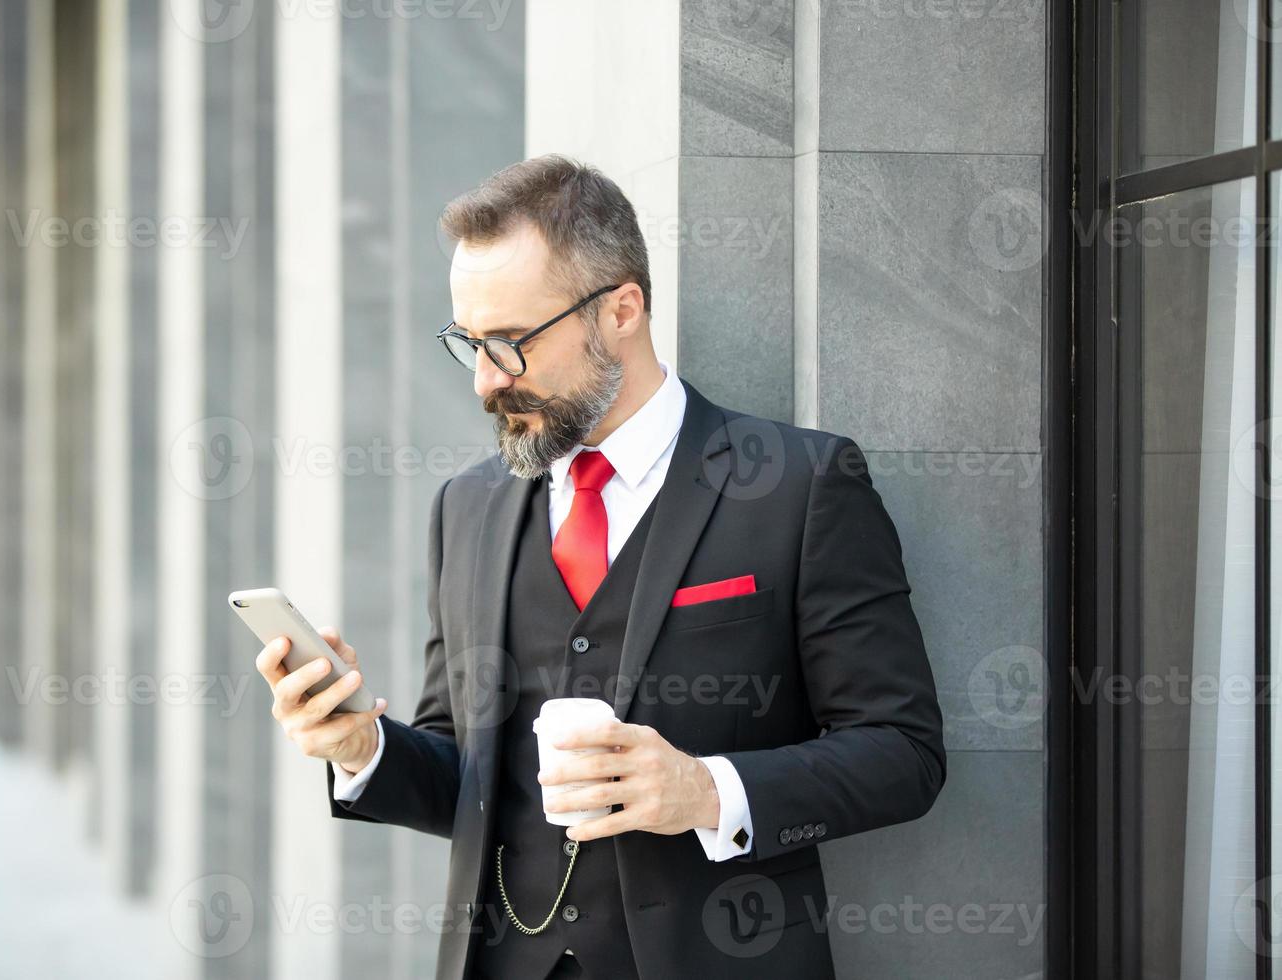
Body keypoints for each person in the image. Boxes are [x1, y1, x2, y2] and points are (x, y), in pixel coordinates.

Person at [256, 154, 946, 980]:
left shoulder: (800, 487)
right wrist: (361, 746)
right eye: (469, 343)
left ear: (621, 310)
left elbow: (902, 753)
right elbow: (466, 781)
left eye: (510, 344)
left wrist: (702, 790)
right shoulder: (466, 508)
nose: (484, 381)